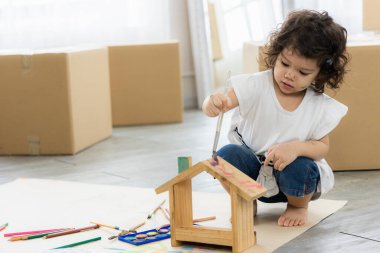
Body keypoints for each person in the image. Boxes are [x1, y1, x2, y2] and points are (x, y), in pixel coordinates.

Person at [202, 10, 349, 227]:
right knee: (225, 155)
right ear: (276, 54)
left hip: (293, 182)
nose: (289, 75)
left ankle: (298, 206)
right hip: (251, 174)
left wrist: (296, 149)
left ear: (320, 73)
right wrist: (212, 103)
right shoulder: (255, 85)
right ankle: (244, 199)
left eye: (303, 72)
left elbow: (321, 148)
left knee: (303, 168)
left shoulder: (318, 105)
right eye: (285, 64)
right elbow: (223, 101)